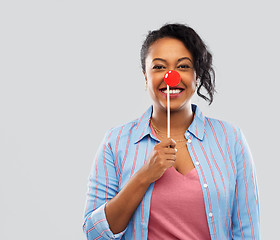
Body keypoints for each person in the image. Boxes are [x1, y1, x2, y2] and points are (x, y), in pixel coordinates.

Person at [83, 23, 260, 240]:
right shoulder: (115, 142)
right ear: (145, 76)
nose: (171, 76)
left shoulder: (231, 139)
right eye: (158, 67)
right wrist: (144, 176)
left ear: (197, 75)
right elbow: (94, 233)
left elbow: (247, 232)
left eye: (183, 66)